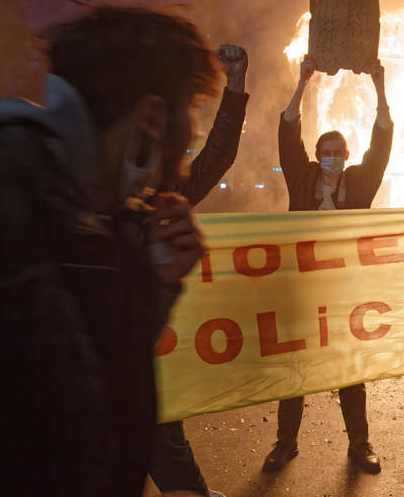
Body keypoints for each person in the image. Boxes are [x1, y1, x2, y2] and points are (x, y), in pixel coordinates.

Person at [0, 7, 213, 497]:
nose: (193, 137)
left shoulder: (107, 225)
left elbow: (89, 389)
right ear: (151, 118)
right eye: (192, 112)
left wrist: (156, 285)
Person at [262, 55, 393, 475]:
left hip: (345, 292)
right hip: (302, 290)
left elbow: (382, 142)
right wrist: (303, 82)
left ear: (347, 155)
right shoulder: (301, 179)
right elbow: (287, 129)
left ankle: (360, 445)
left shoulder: (359, 183)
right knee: (296, 369)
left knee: (349, 369)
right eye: (326, 152)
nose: (333, 157)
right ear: (317, 155)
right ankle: (285, 443)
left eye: (339, 152)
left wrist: (380, 87)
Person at [149, 44, 249, 497]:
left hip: (147, 367)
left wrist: (236, 84)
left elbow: (216, 156)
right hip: (91, 382)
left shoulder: (165, 194)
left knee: (165, 444)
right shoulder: (77, 199)